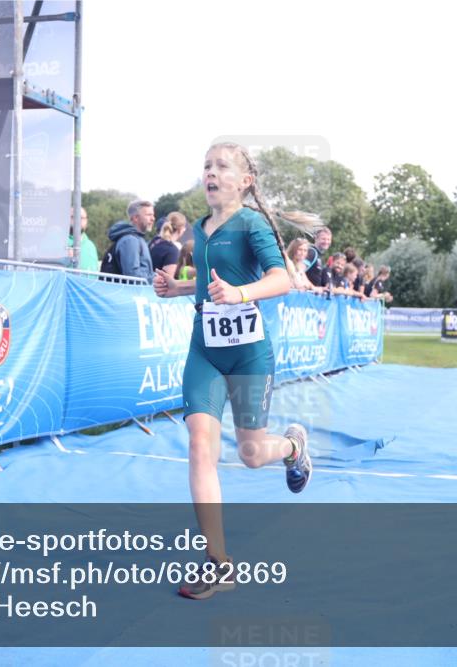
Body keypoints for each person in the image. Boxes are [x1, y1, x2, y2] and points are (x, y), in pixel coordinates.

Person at [153, 142, 321, 600]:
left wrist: (241, 295)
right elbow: (210, 285)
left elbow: (283, 279)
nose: (210, 172)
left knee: (250, 455)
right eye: (206, 165)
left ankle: (291, 446)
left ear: (245, 182)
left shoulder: (252, 224)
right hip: (204, 351)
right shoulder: (202, 231)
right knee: (199, 446)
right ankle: (219, 564)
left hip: (249, 355)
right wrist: (178, 288)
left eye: (221, 166)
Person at [104, 200, 155, 282]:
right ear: (136, 218)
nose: (153, 218)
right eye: (148, 215)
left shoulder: (136, 238)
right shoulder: (130, 240)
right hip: (129, 293)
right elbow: (132, 276)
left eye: (153, 215)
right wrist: (156, 279)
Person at [149, 212, 187, 277]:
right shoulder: (172, 251)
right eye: (184, 227)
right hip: (156, 286)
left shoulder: (154, 242)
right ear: (180, 229)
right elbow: (168, 281)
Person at [67, 207, 99, 272]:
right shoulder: (59, 240)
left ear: (86, 221)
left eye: (82, 218)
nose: (78, 220)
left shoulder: (90, 246)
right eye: (74, 217)